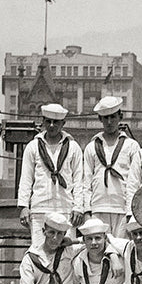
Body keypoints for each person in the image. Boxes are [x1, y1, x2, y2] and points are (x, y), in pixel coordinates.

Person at [17, 103, 86, 246]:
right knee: (39, 251)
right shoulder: (33, 147)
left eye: (56, 122)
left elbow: (79, 180)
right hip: (39, 209)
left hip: (65, 208)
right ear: (43, 122)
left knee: (65, 254)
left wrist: (78, 207)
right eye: (48, 121)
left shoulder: (73, 147)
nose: (52, 125)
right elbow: (26, 179)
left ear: (63, 123)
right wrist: (24, 206)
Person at [83, 96, 140, 237]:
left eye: (113, 117)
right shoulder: (92, 147)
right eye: (105, 118)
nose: (109, 122)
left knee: (121, 252)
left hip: (122, 209)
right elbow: (86, 182)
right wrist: (87, 211)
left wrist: (130, 213)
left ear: (120, 117)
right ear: (100, 119)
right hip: (98, 208)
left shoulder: (131, 146)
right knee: (98, 254)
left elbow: (135, 182)